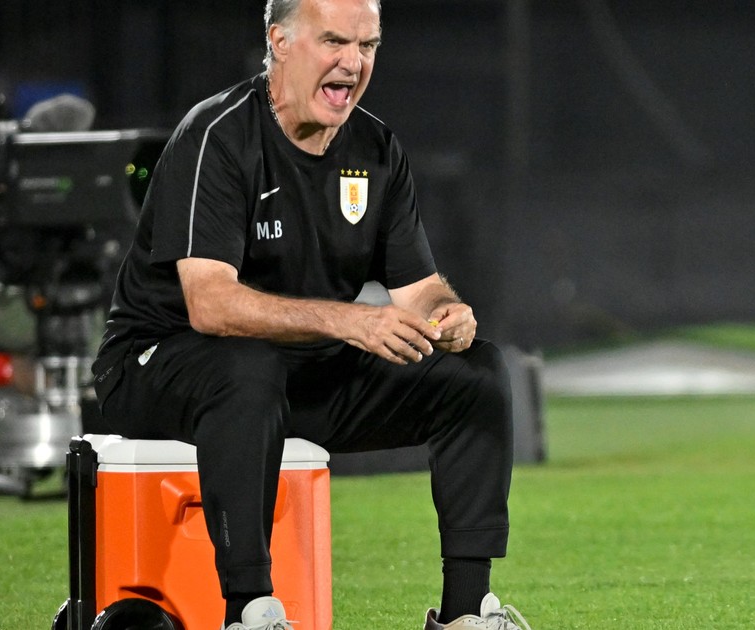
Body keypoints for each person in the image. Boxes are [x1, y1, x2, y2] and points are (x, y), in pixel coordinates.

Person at [88, 0, 530, 628]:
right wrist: (352, 322)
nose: (353, 62)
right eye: (334, 41)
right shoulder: (218, 135)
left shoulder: (376, 148)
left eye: (367, 45)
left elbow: (419, 288)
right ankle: (250, 610)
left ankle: (467, 610)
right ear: (280, 42)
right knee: (248, 369)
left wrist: (447, 313)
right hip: (154, 366)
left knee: (476, 375)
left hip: (295, 376)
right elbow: (209, 304)